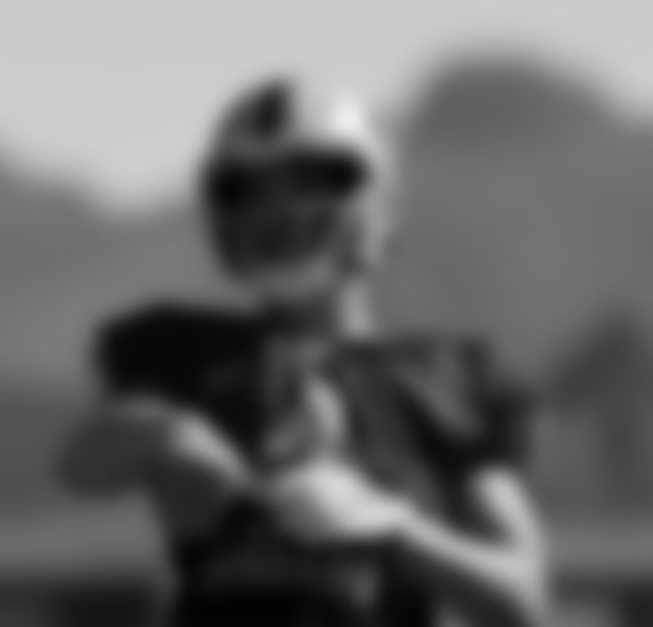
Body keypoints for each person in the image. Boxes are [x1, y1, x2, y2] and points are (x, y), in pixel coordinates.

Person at [56, 76, 551, 627]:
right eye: (251, 189)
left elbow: (520, 597)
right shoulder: (182, 354)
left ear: (379, 209)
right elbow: (81, 464)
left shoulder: (448, 379)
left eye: (310, 181)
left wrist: (394, 529)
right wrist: (166, 432)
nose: (281, 208)